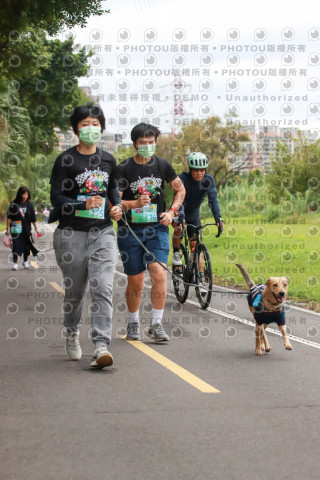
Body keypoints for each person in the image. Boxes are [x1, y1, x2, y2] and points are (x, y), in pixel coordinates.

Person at [50, 102, 122, 369]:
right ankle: (71, 331)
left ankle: (101, 346)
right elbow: (55, 198)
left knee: (103, 287)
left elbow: (112, 188)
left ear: (101, 127)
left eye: (95, 124)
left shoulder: (108, 159)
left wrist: (115, 207)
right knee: (76, 292)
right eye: (85, 124)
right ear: (76, 129)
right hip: (71, 234)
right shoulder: (65, 160)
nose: (91, 128)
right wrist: (82, 204)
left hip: (102, 231)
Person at [117, 123, 185, 342]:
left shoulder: (163, 165)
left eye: (151, 142)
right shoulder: (124, 168)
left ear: (155, 142)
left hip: (157, 228)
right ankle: (133, 321)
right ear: (135, 144)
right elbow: (115, 201)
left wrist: (172, 212)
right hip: (130, 230)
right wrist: (134, 203)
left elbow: (180, 189)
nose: (147, 146)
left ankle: (156, 324)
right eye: (143, 143)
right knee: (136, 280)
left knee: (158, 272)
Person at [172, 152, 224, 282]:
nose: (199, 173)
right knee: (178, 227)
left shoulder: (208, 180)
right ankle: (176, 253)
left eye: (202, 170)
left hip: (194, 215)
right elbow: (180, 200)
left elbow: (213, 200)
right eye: (196, 171)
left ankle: (200, 282)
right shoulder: (182, 178)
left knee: (196, 248)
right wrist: (181, 216)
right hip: (180, 209)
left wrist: (218, 218)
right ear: (190, 169)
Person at [6, 186, 40, 270]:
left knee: (26, 246)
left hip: (26, 229)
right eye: (23, 194)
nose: (25, 196)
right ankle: (15, 263)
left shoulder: (29, 204)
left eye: (26, 194)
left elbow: (33, 218)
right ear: (19, 194)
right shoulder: (14, 204)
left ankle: (25, 262)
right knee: (16, 245)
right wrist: (7, 229)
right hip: (16, 229)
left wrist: (36, 229)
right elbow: (9, 217)